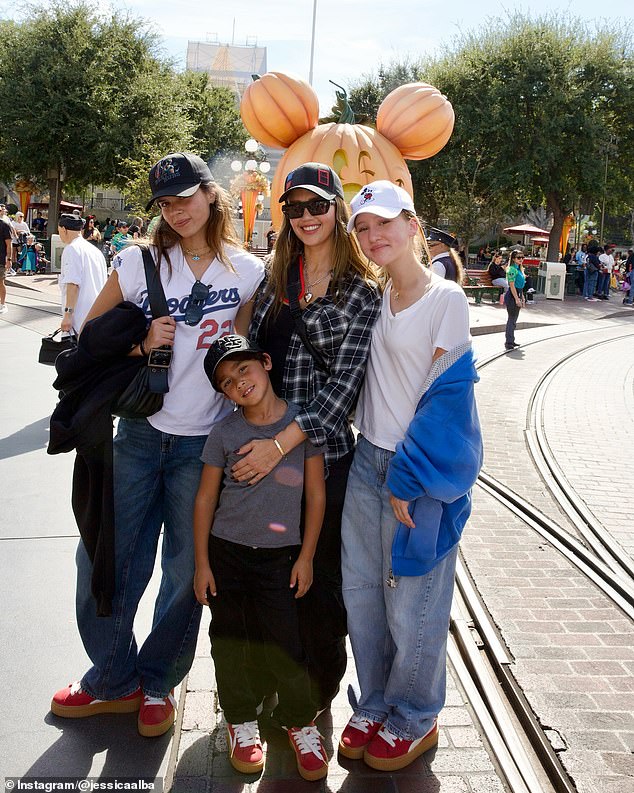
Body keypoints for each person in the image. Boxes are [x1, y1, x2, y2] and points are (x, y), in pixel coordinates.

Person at [50, 152, 264, 738]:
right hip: (140, 434)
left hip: (206, 444)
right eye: (165, 203)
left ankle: (157, 684)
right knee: (104, 554)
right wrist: (141, 342)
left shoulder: (246, 271)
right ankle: (113, 675)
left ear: (210, 195)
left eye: (185, 197)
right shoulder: (137, 261)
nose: (176, 211)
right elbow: (90, 343)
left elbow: (243, 360)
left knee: (182, 571)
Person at [339, 180, 482, 771]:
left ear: (413, 226)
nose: (375, 236)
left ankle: (415, 716)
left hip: (415, 473)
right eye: (364, 227)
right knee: (364, 595)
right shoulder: (372, 297)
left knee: (415, 599)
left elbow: (448, 398)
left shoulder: (445, 299)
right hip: (366, 461)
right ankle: (375, 701)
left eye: (386, 224)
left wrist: (411, 476)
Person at [238, 162, 382, 714]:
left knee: (320, 581)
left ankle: (315, 691)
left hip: (323, 460)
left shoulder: (361, 292)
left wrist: (280, 442)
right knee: (270, 575)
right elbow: (250, 360)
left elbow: (345, 387)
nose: (305, 218)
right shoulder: (273, 282)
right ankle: (272, 679)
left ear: (337, 212)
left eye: (316, 205)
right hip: (264, 458)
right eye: (293, 208)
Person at [193, 334, 329, 781]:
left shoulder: (300, 426)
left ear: (266, 363)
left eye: (244, 370)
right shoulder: (225, 432)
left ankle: (298, 719)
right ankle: (240, 720)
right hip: (227, 555)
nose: (239, 384)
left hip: (280, 558)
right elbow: (205, 499)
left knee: (286, 643)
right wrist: (202, 564)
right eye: (227, 383)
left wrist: (306, 556)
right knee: (228, 640)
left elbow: (315, 494)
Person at [57, 214, 108, 335]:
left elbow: (73, 283)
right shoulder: (95, 251)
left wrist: (67, 315)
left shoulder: (72, 249)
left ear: (63, 229)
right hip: (97, 317)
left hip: (78, 320)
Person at [503, 249, 526, 349]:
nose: (521, 259)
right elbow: (512, 285)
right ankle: (509, 341)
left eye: (522, 257)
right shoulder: (512, 269)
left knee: (514, 320)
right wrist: (517, 299)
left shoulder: (519, 269)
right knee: (511, 319)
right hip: (513, 295)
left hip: (518, 293)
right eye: (518, 257)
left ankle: (511, 340)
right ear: (513, 259)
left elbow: (521, 285)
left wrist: (522, 297)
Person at [0, 208, 12, 312]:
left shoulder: (4, 225)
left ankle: (3, 304)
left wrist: (9, 259)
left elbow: (9, 244)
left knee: (0, 281)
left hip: (1, 259)